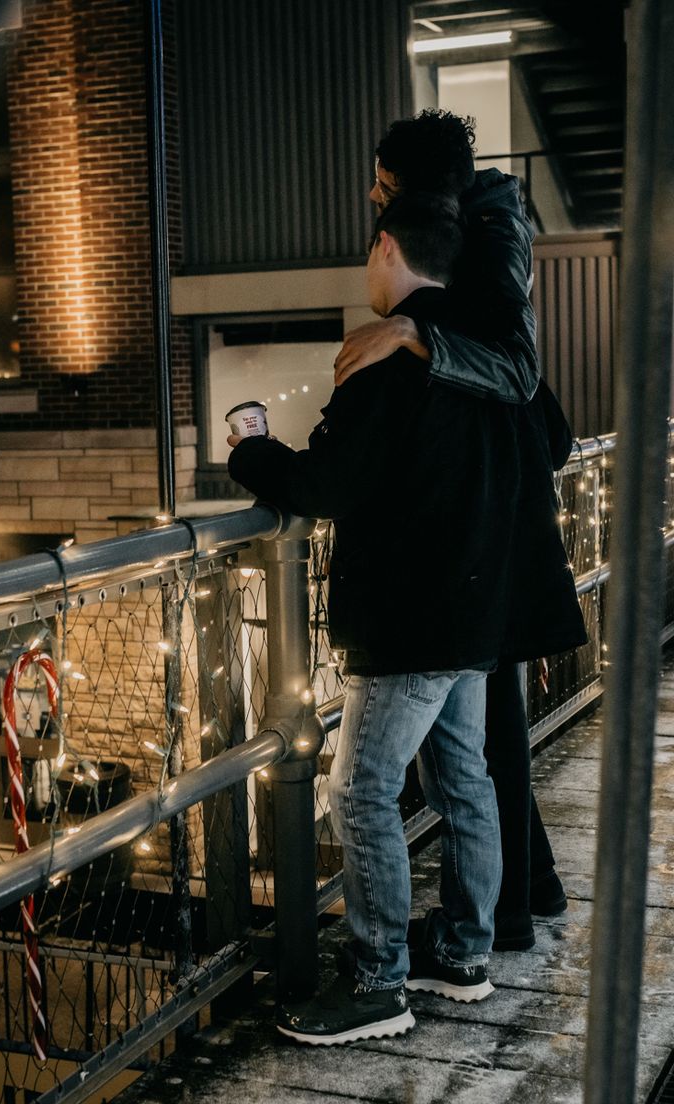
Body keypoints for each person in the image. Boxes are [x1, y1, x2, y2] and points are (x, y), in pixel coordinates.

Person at [228, 194, 586, 1046]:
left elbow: (323, 486)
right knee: (467, 777)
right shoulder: (492, 354)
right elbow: (560, 441)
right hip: (481, 608)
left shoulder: (388, 355)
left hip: (412, 614)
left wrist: (249, 448)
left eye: (368, 253)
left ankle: (378, 980)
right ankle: (463, 954)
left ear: (387, 246)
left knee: (358, 788)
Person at [335, 110, 572, 951]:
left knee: (473, 752)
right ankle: (509, 909)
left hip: (487, 526)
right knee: (481, 752)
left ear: (418, 190)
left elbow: (514, 365)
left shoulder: (490, 225)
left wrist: (410, 329)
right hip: (488, 512)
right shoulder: (469, 223)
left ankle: (488, 924)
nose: (372, 195)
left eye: (383, 183)